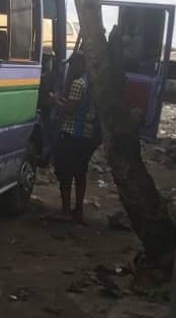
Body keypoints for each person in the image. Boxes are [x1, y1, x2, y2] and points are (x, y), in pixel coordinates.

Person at [49, 52, 100, 224]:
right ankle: (78, 210)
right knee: (80, 173)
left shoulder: (78, 84)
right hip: (87, 134)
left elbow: (69, 110)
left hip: (72, 133)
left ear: (80, 65)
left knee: (65, 173)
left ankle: (65, 210)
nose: (70, 68)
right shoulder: (91, 82)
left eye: (73, 64)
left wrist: (55, 101)